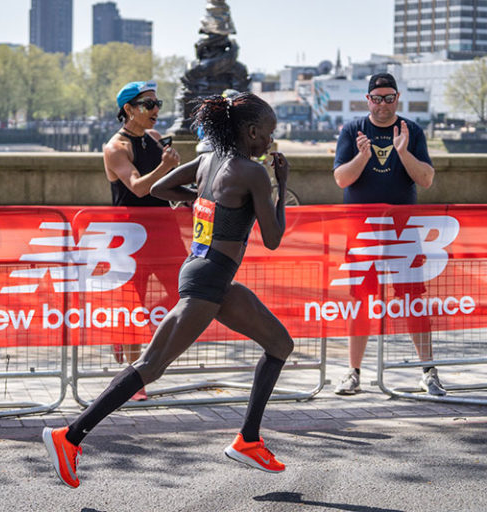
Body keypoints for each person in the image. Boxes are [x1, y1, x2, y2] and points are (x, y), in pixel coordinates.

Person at [43, 92, 293, 487]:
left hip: (210, 275)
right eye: (268, 134)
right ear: (250, 132)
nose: (271, 142)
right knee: (151, 366)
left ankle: (248, 440)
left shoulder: (209, 160)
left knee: (280, 345)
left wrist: (198, 200)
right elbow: (275, 237)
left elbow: (159, 188)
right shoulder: (253, 172)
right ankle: (69, 436)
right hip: (207, 282)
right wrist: (281, 183)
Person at [331, 73, 445, 397]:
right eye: (377, 98)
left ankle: (428, 371)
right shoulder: (353, 130)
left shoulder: (412, 131)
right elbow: (341, 178)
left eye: (389, 97)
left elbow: (425, 179)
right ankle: (353, 372)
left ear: (398, 99)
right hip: (362, 231)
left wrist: (403, 151)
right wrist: (363, 157)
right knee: (361, 302)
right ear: (368, 100)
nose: (383, 104)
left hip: (403, 231)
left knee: (413, 300)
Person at [102, 80, 184, 400]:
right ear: (129, 110)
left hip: (163, 229)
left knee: (183, 293)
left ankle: (139, 325)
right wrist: (165, 166)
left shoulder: (153, 138)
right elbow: (137, 187)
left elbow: (164, 184)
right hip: (132, 234)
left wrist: (184, 191)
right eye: (148, 105)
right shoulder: (115, 147)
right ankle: (134, 383)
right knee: (132, 301)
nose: (156, 110)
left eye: (158, 103)